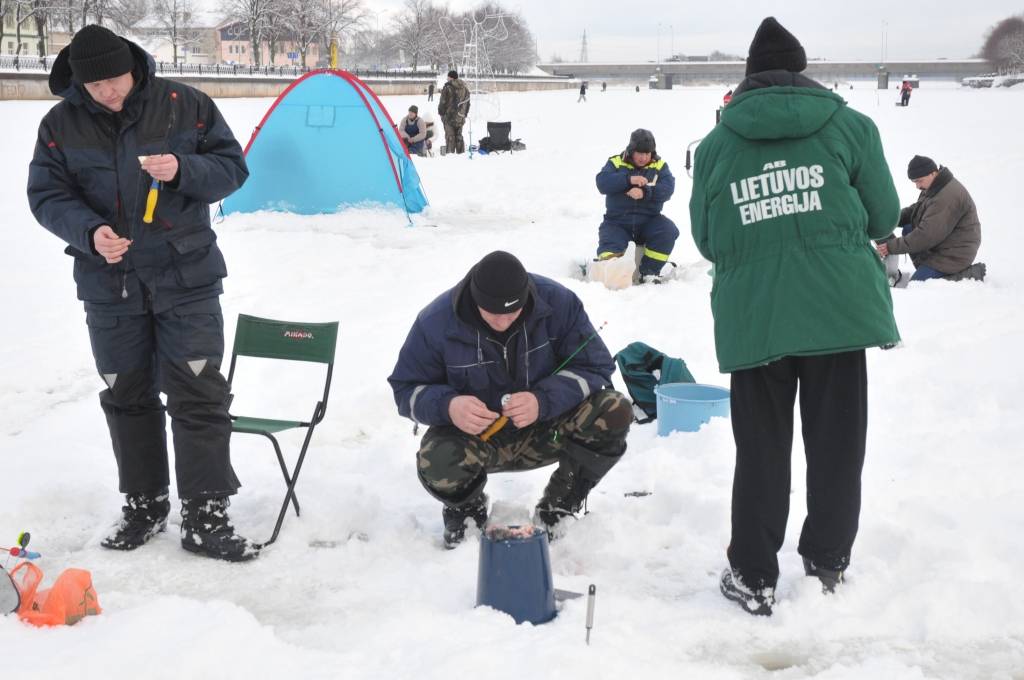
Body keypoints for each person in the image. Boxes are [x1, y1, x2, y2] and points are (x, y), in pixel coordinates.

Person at [689, 16, 901, 616]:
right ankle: (827, 562)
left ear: (749, 77)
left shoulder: (716, 145)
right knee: (837, 443)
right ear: (802, 70)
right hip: (838, 311)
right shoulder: (851, 126)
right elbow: (884, 216)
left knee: (761, 449)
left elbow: (707, 239)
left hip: (757, 317)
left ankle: (754, 575)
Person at [26, 25, 257, 562]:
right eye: (96, 84)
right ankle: (145, 504)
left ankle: (206, 514)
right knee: (126, 396)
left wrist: (183, 170)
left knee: (198, 393)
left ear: (134, 64)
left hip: (187, 278)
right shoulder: (60, 123)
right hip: (109, 283)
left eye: (115, 78)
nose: (109, 91)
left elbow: (232, 169)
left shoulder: (185, 104)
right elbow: (46, 194)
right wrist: (88, 233)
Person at [388, 251, 632, 548]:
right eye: (492, 314)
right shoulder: (436, 322)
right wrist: (448, 406)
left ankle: (561, 503)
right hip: (477, 439)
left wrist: (542, 400)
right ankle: (466, 511)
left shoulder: (558, 303)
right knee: (437, 458)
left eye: (512, 313)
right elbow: (405, 388)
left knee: (614, 409)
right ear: (476, 301)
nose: (503, 322)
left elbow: (596, 367)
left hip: (547, 429)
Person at [876, 155, 983, 283]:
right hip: (943, 242)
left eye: (919, 181)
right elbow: (917, 210)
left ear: (932, 173)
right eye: (915, 182)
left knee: (917, 285)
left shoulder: (946, 196)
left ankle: (967, 274)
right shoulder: (936, 185)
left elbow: (925, 236)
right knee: (909, 229)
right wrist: (891, 218)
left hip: (955, 253)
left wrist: (890, 247)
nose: (917, 186)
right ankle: (927, 268)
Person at [595, 129, 678, 283]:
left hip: (649, 221)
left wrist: (645, 193)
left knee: (668, 230)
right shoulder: (615, 162)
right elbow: (602, 182)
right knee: (609, 250)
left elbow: (667, 189)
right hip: (617, 222)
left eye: (647, 153)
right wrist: (629, 180)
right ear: (631, 150)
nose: (643, 157)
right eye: (640, 153)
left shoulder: (660, 166)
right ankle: (612, 277)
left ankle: (649, 273)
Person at [438, 69, 470, 155]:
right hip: (460, 117)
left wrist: (442, 114)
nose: (447, 79)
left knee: (450, 137)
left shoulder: (447, 87)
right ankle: (461, 154)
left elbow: (442, 102)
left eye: (448, 77)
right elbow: (468, 103)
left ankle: (450, 156)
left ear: (451, 77)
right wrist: (464, 114)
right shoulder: (465, 88)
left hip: (449, 117)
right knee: (459, 136)